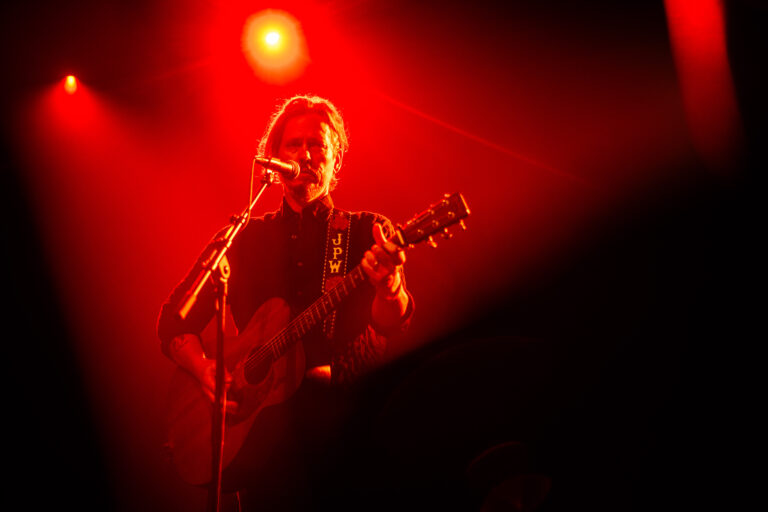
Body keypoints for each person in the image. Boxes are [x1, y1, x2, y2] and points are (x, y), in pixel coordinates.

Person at [157, 95, 414, 510]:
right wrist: (205, 370)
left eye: (317, 145)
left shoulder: (367, 231)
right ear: (273, 157)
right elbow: (173, 322)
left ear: (336, 159)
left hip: (346, 433)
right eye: (293, 145)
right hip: (262, 452)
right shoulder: (243, 237)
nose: (305, 154)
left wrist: (391, 286)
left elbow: (393, 326)